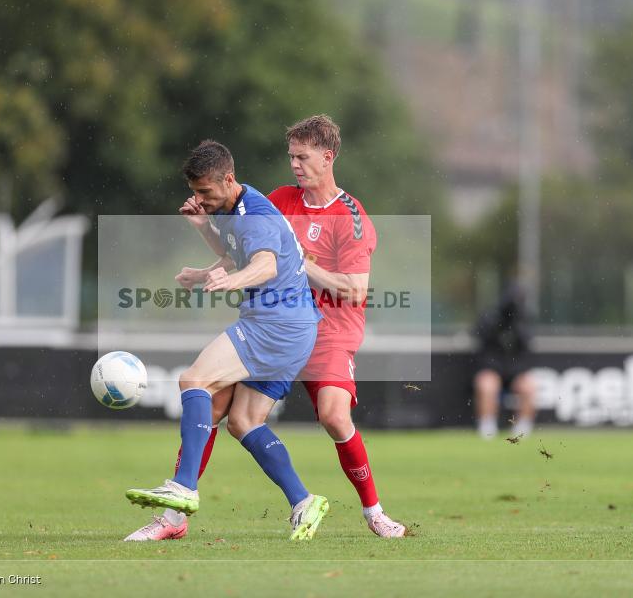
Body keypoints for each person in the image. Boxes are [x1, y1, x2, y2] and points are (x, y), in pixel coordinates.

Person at [126, 115, 407, 541]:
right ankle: (177, 516)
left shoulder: (350, 216)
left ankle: (375, 512)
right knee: (230, 415)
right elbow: (242, 253)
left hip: (325, 328)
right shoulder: (278, 199)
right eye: (291, 156)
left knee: (333, 416)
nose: (294, 164)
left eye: (302, 156)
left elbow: (354, 289)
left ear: (328, 157)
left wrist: (298, 264)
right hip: (286, 320)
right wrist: (206, 259)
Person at [124, 140, 329, 541]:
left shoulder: (254, 216)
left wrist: (229, 282)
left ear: (228, 178)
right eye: (195, 192)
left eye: (205, 191)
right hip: (297, 329)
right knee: (244, 421)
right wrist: (205, 250)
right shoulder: (236, 209)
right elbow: (236, 254)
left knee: (194, 380)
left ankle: (182, 491)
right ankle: (304, 501)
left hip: (274, 325)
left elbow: (264, 265)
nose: (200, 199)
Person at [473, 280, 536, 439]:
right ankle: (487, 427)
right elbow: (480, 336)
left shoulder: (523, 318)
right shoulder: (490, 316)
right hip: (492, 368)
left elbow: (527, 343)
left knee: (529, 386)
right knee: (488, 384)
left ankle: (522, 428)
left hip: (515, 371)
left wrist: (516, 323)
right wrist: (499, 320)